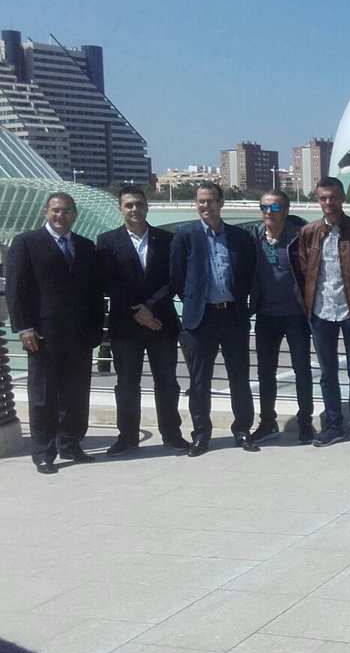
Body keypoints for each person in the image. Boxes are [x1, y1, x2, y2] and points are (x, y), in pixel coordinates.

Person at [6, 192, 105, 474]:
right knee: (43, 395)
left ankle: (70, 443)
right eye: (56, 211)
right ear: (45, 213)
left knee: (76, 393)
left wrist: (96, 330)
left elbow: (94, 293)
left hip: (79, 335)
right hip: (43, 334)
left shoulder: (86, 247)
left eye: (66, 211)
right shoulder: (26, 243)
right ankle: (43, 451)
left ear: (75, 215)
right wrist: (24, 327)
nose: (60, 216)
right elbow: (16, 290)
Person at [97, 186, 189, 456]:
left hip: (162, 323)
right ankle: (127, 436)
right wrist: (137, 311)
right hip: (125, 326)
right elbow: (108, 282)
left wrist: (149, 308)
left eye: (138, 204)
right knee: (126, 384)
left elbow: (174, 279)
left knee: (167, 382)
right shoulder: (107, 241)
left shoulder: (167, 240)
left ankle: (172, 434)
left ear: (147, 207)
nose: (134, 209)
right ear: (120, 209)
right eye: (128, 205)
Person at [169, 182, 258, 457]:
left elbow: (250, 274)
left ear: (221, 203)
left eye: (210, 201)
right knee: (199, 381)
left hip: (232, 314)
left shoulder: (239, 237)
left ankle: (242, 430)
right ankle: (201, 434)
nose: (205, 206)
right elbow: (176, 276)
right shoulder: (185, 236)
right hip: (201, 318)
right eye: (200, 202)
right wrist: (193, 302)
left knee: (239, 378)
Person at [297, 177, 350, 448]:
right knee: (327, 372)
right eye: (323, 198)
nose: (328, 203)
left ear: (342, 198)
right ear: (318, 200)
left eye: (333, 197)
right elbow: (303, 269)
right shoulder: (309, 232)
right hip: (321, 312)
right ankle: (333, 425)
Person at [249, 189, 314, 445]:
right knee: (265, 372)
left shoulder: (299, 237)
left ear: (286, 211)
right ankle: (267, 422)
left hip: (296, 315)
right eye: (264, 207)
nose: (269, 212)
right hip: (266, 315)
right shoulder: (253, 237)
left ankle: (305, 423)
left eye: (275, 208)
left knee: (302, 372)